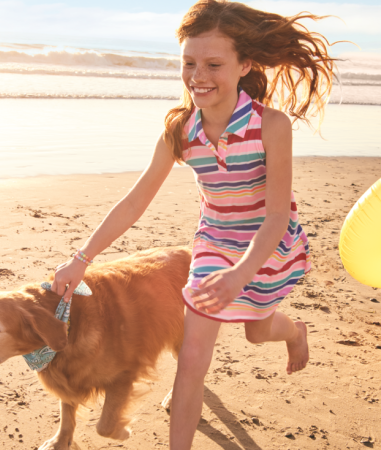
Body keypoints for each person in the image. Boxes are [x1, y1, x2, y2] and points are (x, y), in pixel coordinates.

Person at [50, 1, 337, 447]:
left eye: (213, 64)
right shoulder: (180, 131)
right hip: (213, 244)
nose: (197, 75)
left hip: (267, 245)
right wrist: (80, 259)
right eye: (188, 63)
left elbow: (278, 214)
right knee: (192, 360)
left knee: (258, 330)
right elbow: (134, 202)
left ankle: (294, 331)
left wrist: (242, 273)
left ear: (245, 65)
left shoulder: (271, 127)